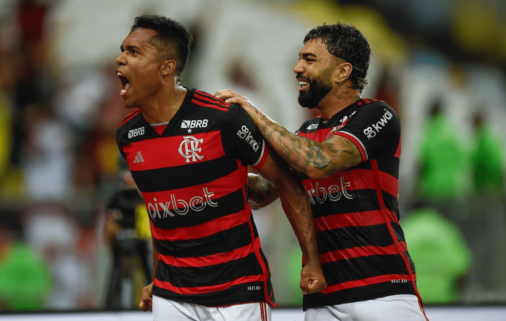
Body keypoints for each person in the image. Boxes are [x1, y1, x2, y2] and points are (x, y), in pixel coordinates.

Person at [114, 15, 325, 321]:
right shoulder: (127, 136)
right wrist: (159, 277)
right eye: (123, 50)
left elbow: (286, 180)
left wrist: (312, 260)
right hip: (173, 292)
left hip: (237, 289)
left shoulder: (222, 120)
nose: (119, 58)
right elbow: (161, 213)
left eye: (133, 52)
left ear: (166, 68)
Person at [216, 23, 428, 321]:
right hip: (323, 299)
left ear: (342, 72)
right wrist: (208, 173)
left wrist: (253, 113)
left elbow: (319, 162)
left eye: (309, 60)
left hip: (383, 290)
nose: (297, 68)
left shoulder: (377, 114)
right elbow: (265, 191)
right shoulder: (307, 132)